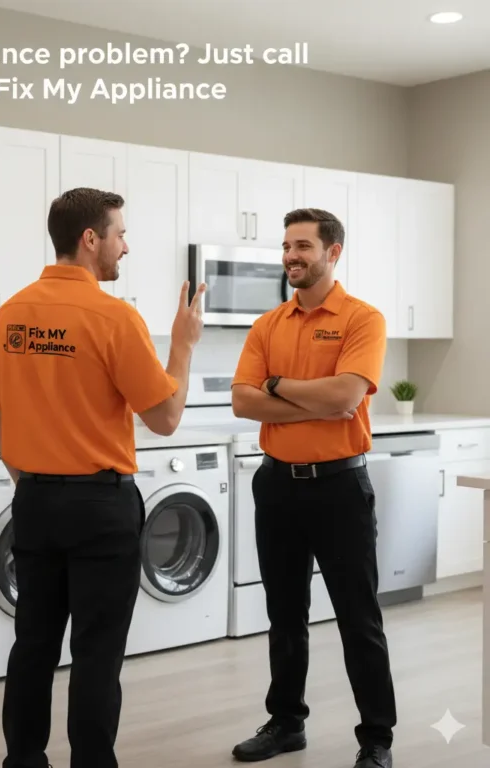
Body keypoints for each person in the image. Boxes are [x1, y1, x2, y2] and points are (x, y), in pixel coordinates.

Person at [0, 186, 206, 768]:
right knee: (97, 653)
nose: (125, 246)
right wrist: (181, 346)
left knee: (31, 645)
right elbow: (166, 417)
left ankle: (23, 760)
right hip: (100, 510)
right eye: (120, 233)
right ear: (90, 239)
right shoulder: (114, 317)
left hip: (33, 502)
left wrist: (27, 482)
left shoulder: (10, 314)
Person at [229, 208, 396, 768]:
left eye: (303, 245)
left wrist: (278, 388)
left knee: (358, 615)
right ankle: (286, 722)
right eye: (286, 247)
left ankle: (376, 739)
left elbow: (346, 397)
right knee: (284, 613)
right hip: (276, 485)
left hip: (340, 488)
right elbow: (242, 401)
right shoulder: (267, 325)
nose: (291, 256)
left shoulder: (361, 319)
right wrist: (309, 398)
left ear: (333, 252)